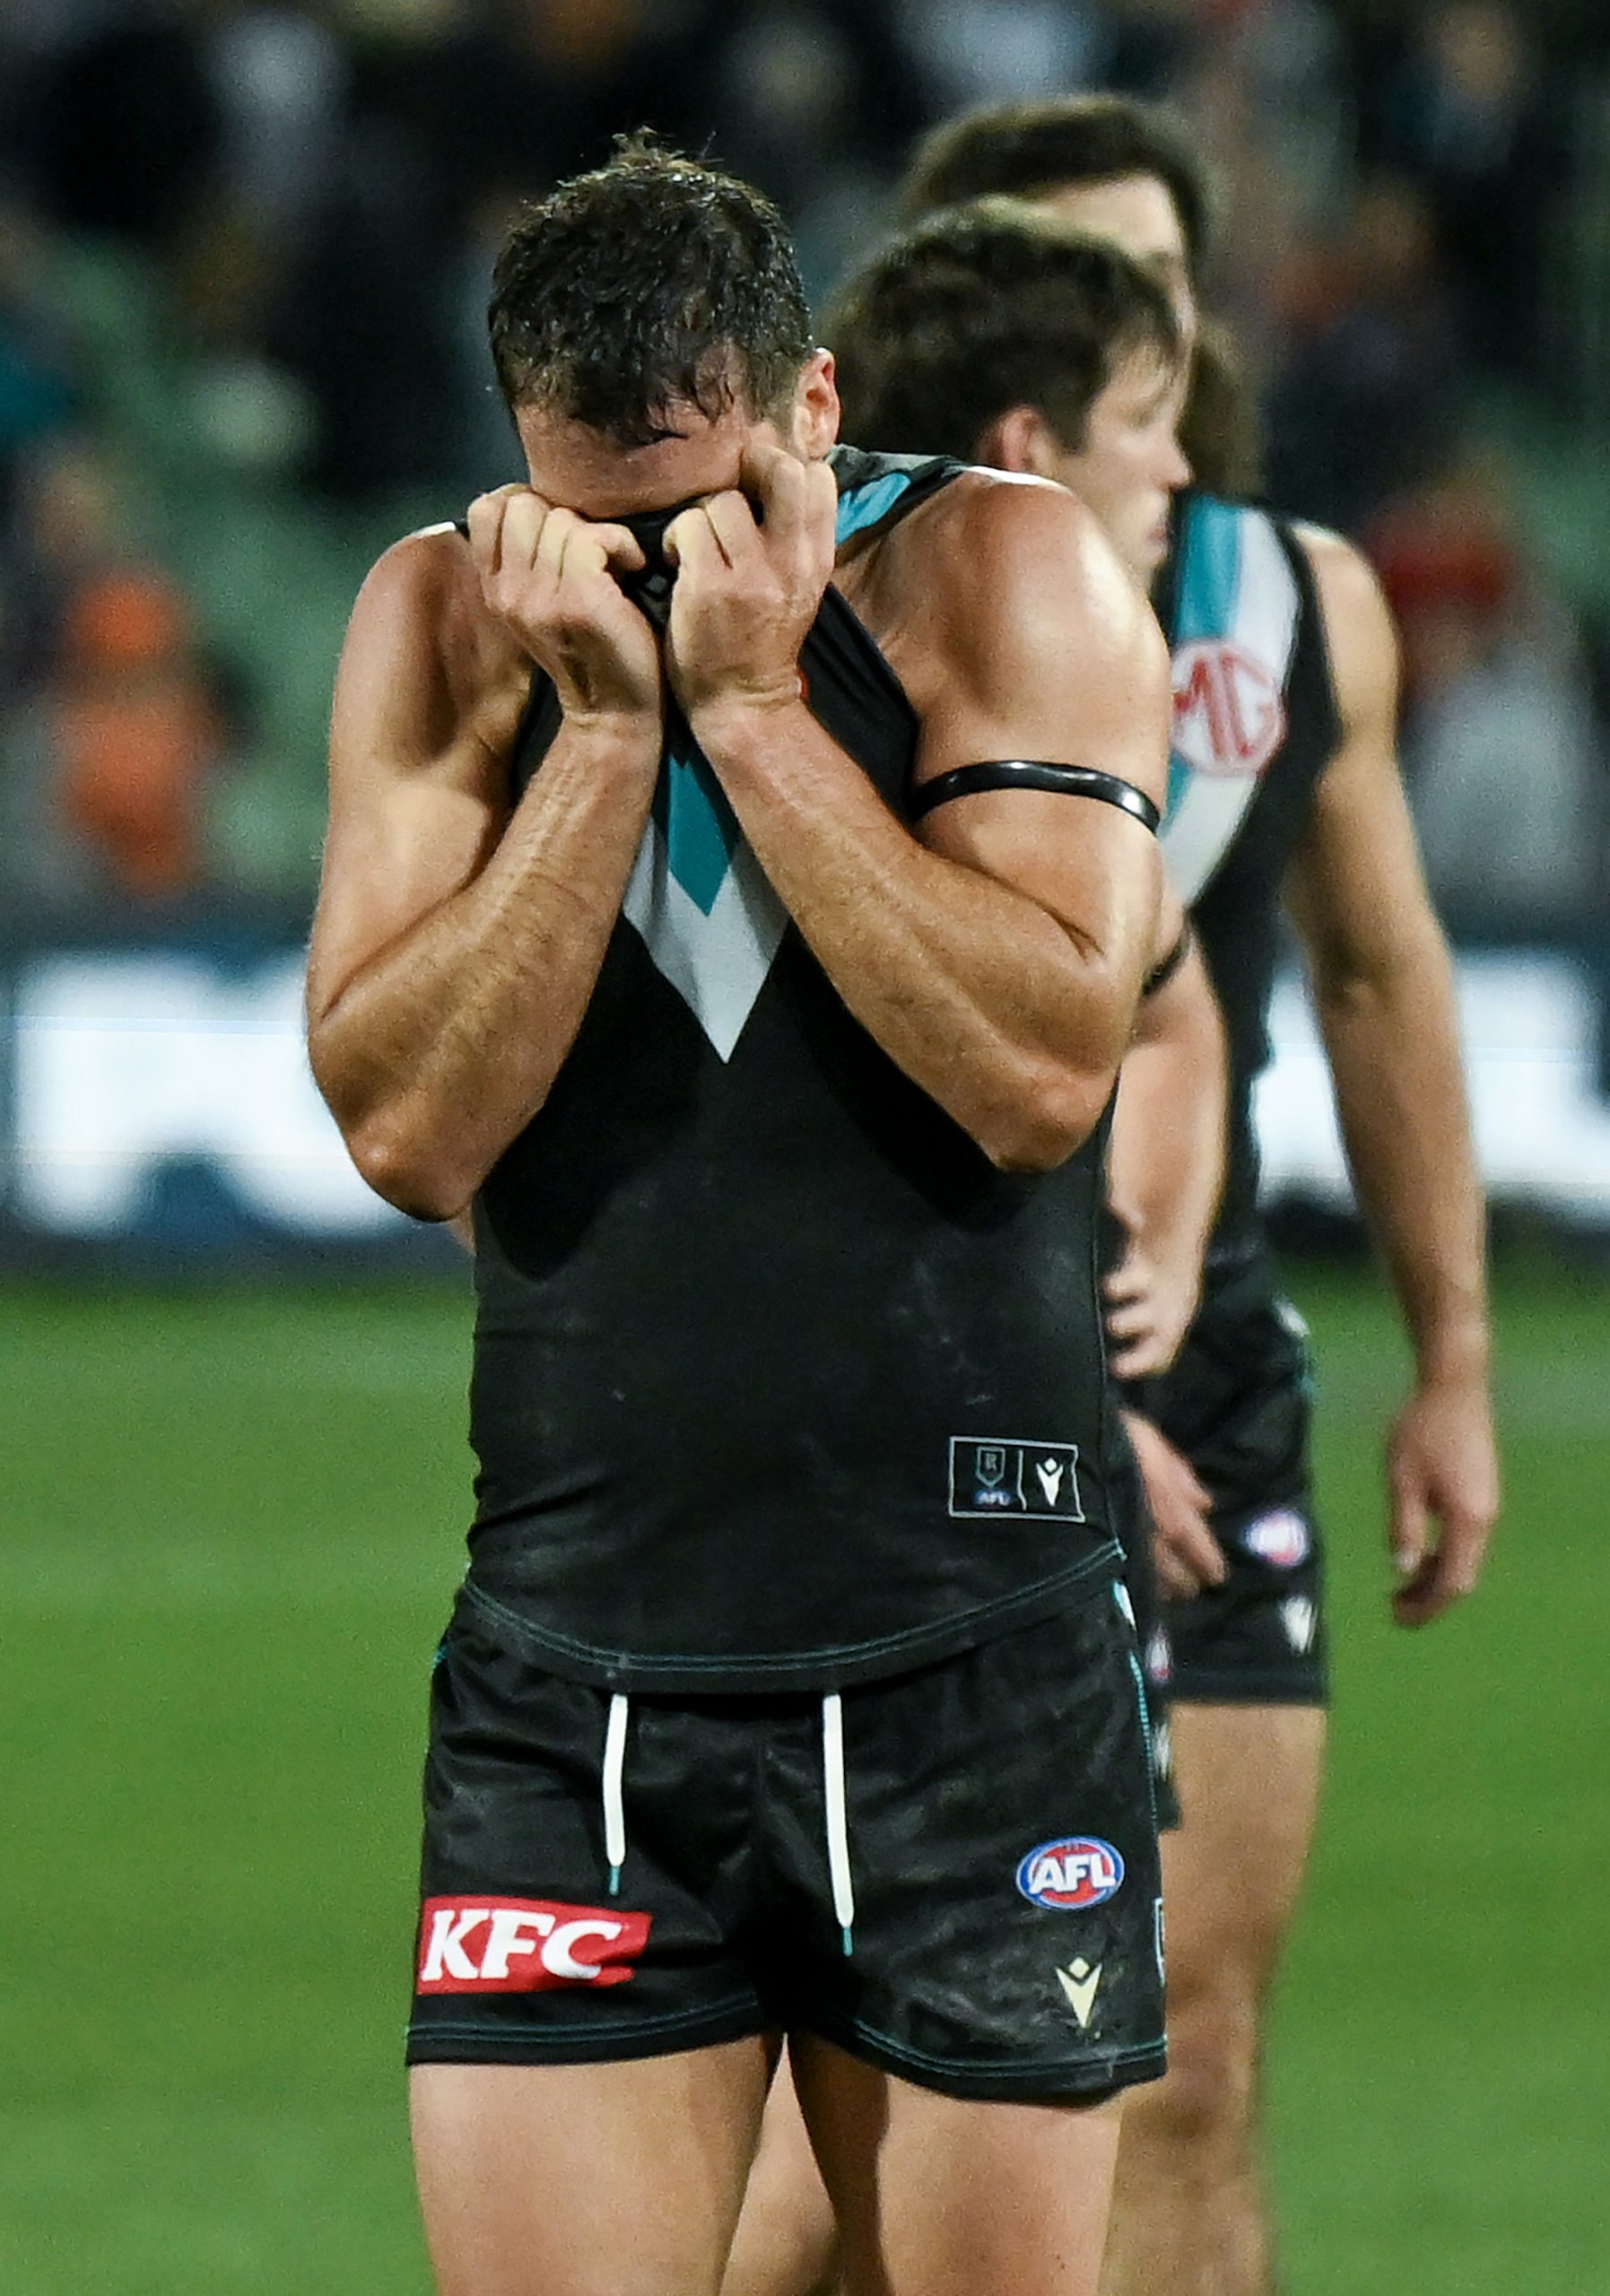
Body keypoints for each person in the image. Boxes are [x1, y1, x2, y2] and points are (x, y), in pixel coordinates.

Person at [307, 139, 1182, 2296]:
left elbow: (1038, 1073)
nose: (648, 572)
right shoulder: (450, 617)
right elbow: (407, 1129)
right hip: (577, 1675)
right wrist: (606, 736)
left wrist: (760, 710)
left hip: (971, 1658)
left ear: (812, 408)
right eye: (591, 530)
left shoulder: (1010, 573)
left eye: (696, 516)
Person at [730, 98, 1501, 2296]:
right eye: (1080, 285)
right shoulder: (853, 622)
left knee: (1187, 2063)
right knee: (852, 2112)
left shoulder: (1288, 594)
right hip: (937, 1373)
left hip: (1205, 1353)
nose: (1135, 326)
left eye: (1157, 286)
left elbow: (1363, 975)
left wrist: (1450, 1361)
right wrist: (1050, 1377)